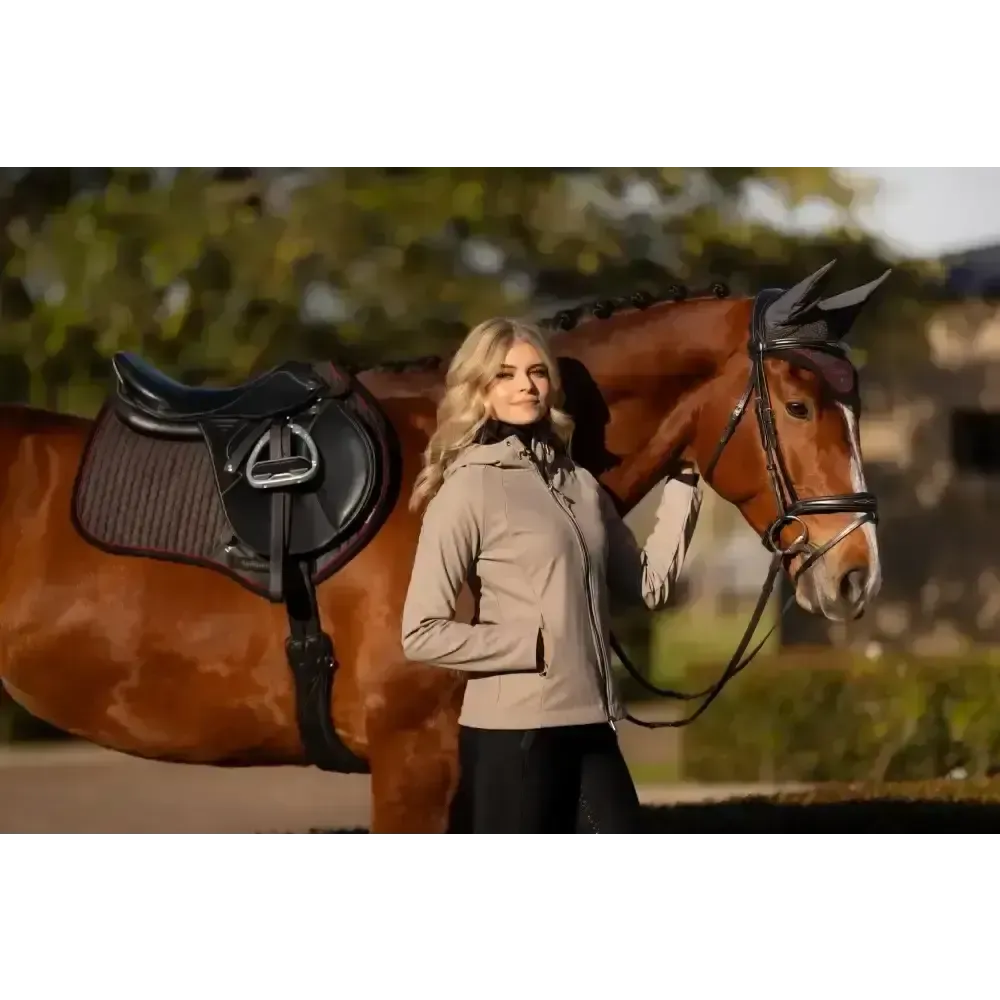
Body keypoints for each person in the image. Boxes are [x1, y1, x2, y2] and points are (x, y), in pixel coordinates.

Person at [400, 317, 703, 840]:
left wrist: (685, 484)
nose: (526, 385)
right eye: (506, 374)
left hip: (592, 727)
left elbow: (649, 585)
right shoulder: (467, 489)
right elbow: (420, 631)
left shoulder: (579, 484)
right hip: (513, 736)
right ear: (479, 388)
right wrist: (531, 645)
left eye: (537, 372)